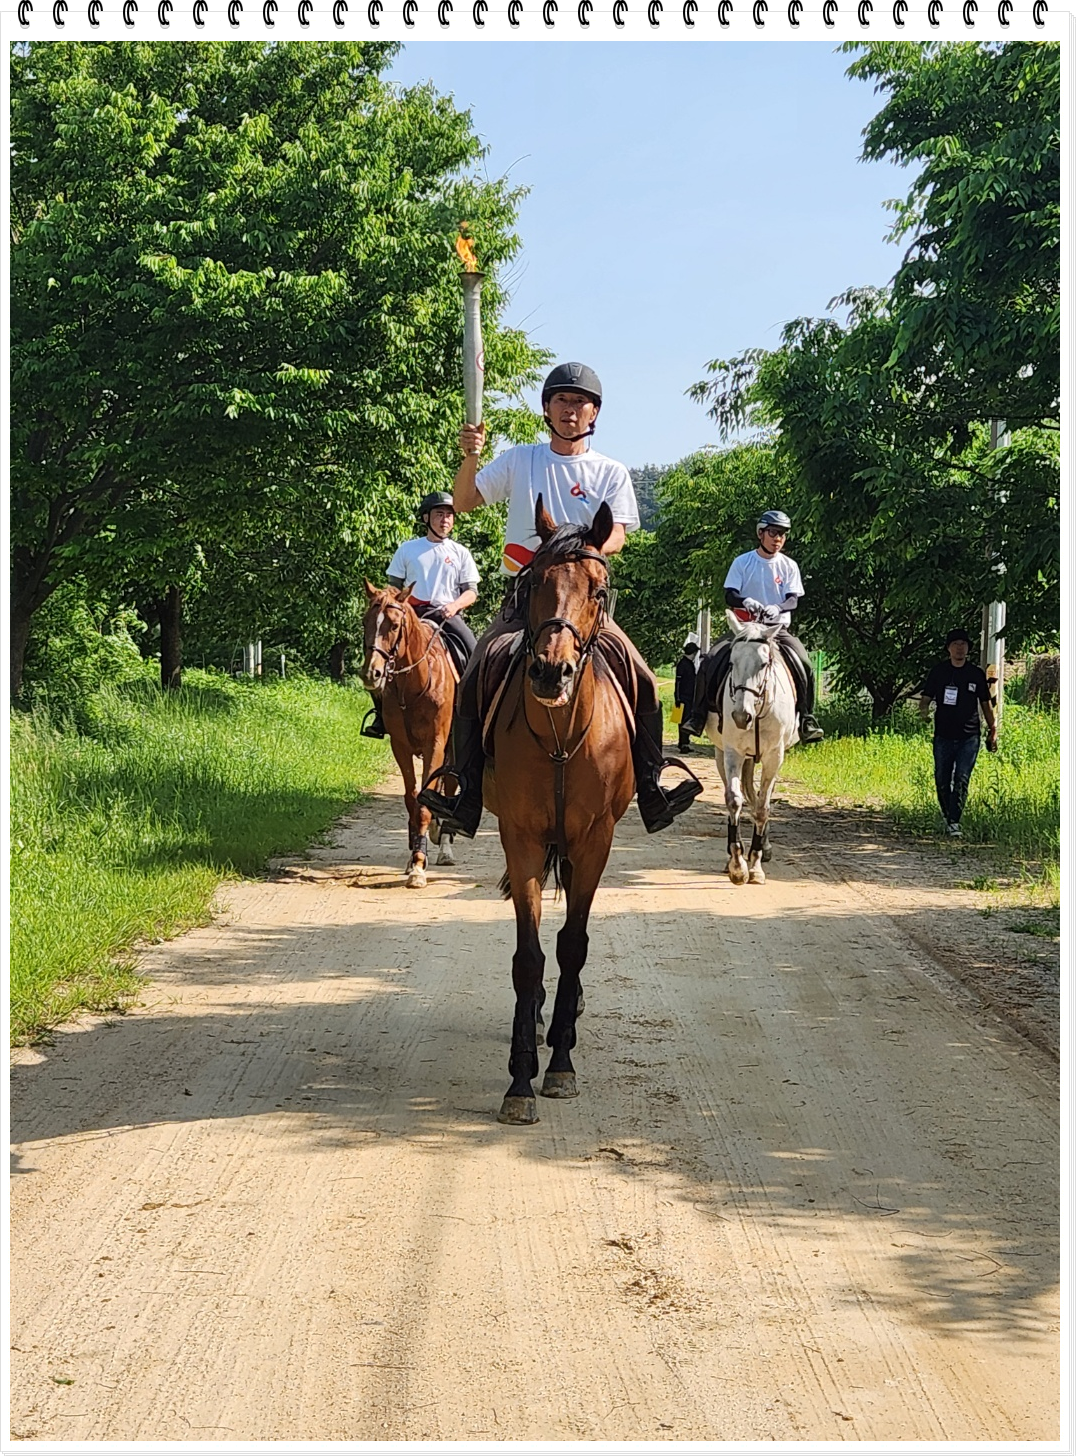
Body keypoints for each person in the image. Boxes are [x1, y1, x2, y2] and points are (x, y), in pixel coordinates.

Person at [417, 361, 702, 837]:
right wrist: (469, 455)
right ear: (547, 409)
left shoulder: (610, 471)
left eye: (581, 403)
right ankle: (464, 790)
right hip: (526, 599)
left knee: (645, 678)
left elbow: (619, 537)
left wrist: (582, 552)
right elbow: (465, 501)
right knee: (473, 673)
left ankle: (652, 786)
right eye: (562, 401)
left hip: (585, 604)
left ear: (594, 413)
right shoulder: (521, 459)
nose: (571, 410)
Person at [681, 509, 825, 743]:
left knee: (805, 663)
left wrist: (778, 608)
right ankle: (697, 715)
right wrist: (746, 601)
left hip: (775, 631)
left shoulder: (789, 565)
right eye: (773, 532)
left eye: (782, 534)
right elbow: (730, 595)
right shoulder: (743, 562)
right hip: (745, 630)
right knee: (709, 659)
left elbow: (793, 599)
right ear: (761, 533)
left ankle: (807, 718)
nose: (778, 538)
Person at [360, 492, 480, 739]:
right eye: (439, 514)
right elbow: (392, 589)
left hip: (446, 614)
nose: (445, 520)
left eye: (449, 515)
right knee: (377, 653)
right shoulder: (408, 549)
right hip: (410, 616)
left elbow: (471, 592)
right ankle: (381, 715)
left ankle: (474, 714)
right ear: (427, 518)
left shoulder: (460, 552)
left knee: (474, 653)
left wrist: (455, 606)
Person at [918, 627, 998, 837]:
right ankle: (948, 814)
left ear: (968, 648)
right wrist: (924, 713)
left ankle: (954, 821)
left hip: (969, 737)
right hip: (943, 735)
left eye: (963, 644)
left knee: (962, 777)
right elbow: (925, 699)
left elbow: (985, 704)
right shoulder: (939, 672)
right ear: (948, 648)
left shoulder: (975, 674)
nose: (960, 648)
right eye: (956, 644)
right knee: (942, 778)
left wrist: (993, 729)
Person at [674, 635, 700, 753]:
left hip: (687, 696)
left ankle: (684, 742)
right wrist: (678, 698)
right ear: (693, 653)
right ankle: (683, 743)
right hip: (683, 697)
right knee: (683, 720)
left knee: (685, 719)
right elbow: (678, 682)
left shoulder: (688, 664)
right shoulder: (683, 664)